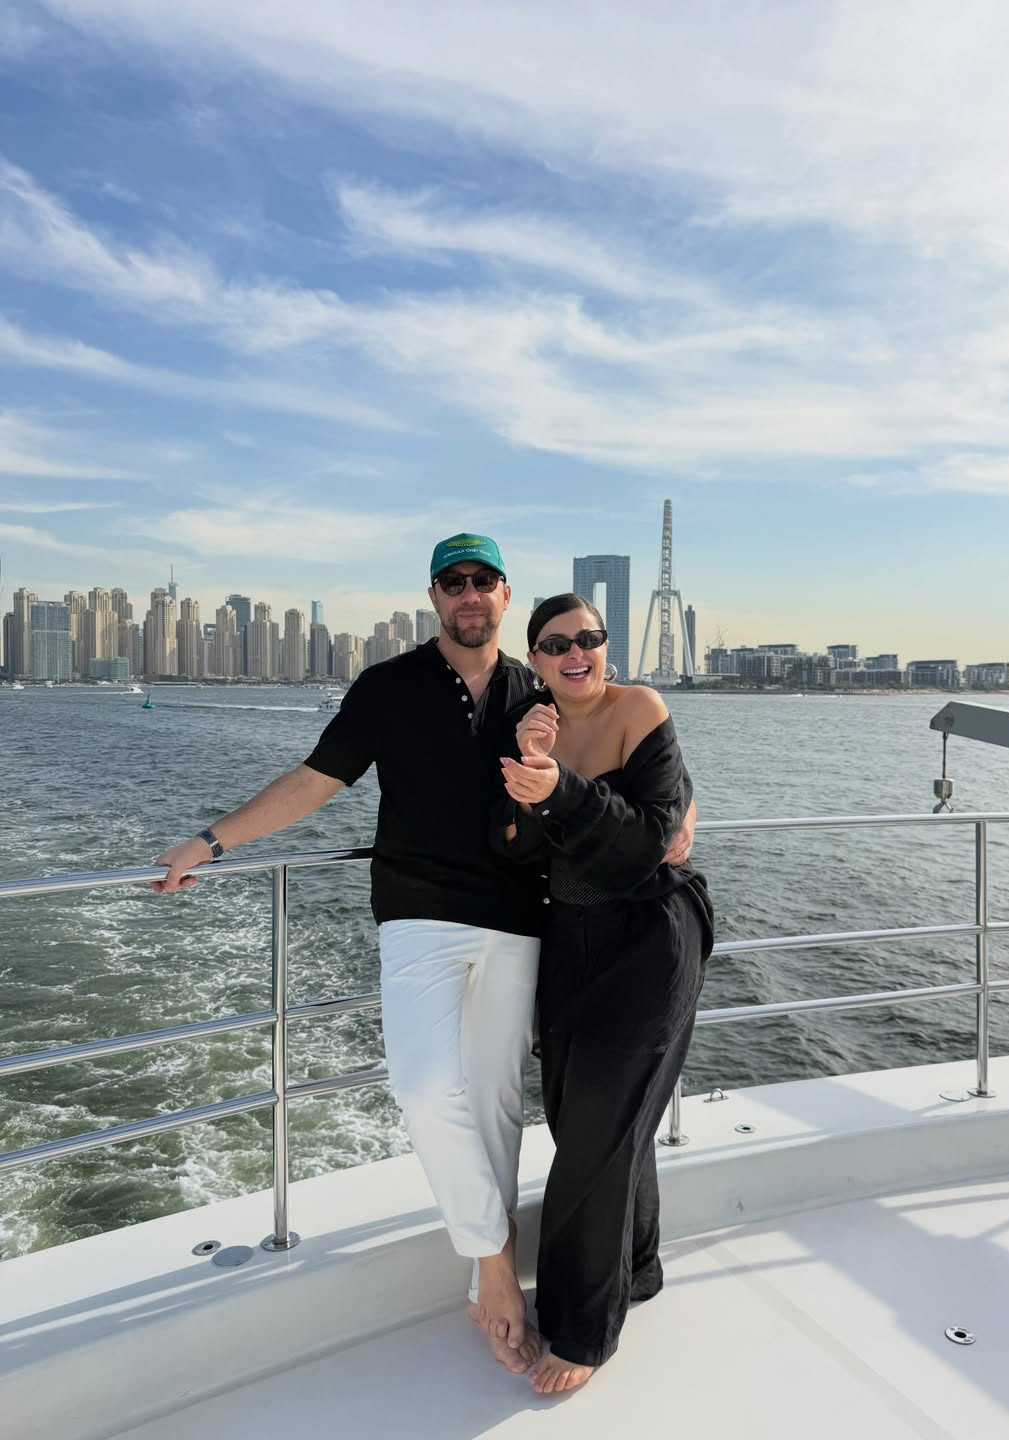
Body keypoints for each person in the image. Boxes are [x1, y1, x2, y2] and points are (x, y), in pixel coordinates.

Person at [153, 534, 548, 1372]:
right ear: (433, 597)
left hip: (518, 920)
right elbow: (315, 779)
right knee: (423, 1086)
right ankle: (494, 1264)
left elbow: (612, 758)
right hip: (419, 916)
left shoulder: (536, 691)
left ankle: (489, 1278)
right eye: (453, 582)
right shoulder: (388, 687)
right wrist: (210, 842)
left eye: (483, 580)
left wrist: (679, 815)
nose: (469, 594)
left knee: (496, 1102)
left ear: (505, 594)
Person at [497, 593, 713, 1396]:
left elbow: (652, 841)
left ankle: (584, 1329)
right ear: (535, 659)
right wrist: (528, 774)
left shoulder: (638, 708)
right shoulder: (531, 726)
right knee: (589, 1119)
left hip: (650, 935)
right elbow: (512, 848)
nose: (574, 653)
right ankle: (639, 1267)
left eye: (587, 638)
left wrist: (557, 788)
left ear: (606, 646)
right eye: (556, 644)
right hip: (569, 938)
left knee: (597, 1132)